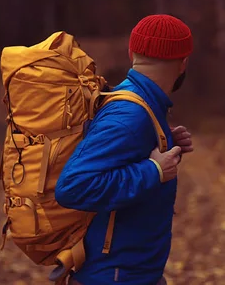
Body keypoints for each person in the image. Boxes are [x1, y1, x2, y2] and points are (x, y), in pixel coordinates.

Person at [55, 14, 194, 285]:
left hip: (132, 275)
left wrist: (166, 144)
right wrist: (153, 170)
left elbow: (120, 160)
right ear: (183, 63)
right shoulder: (130, 113)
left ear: (132, 53)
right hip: (114, 277)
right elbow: (72, 186)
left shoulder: (142, 104)